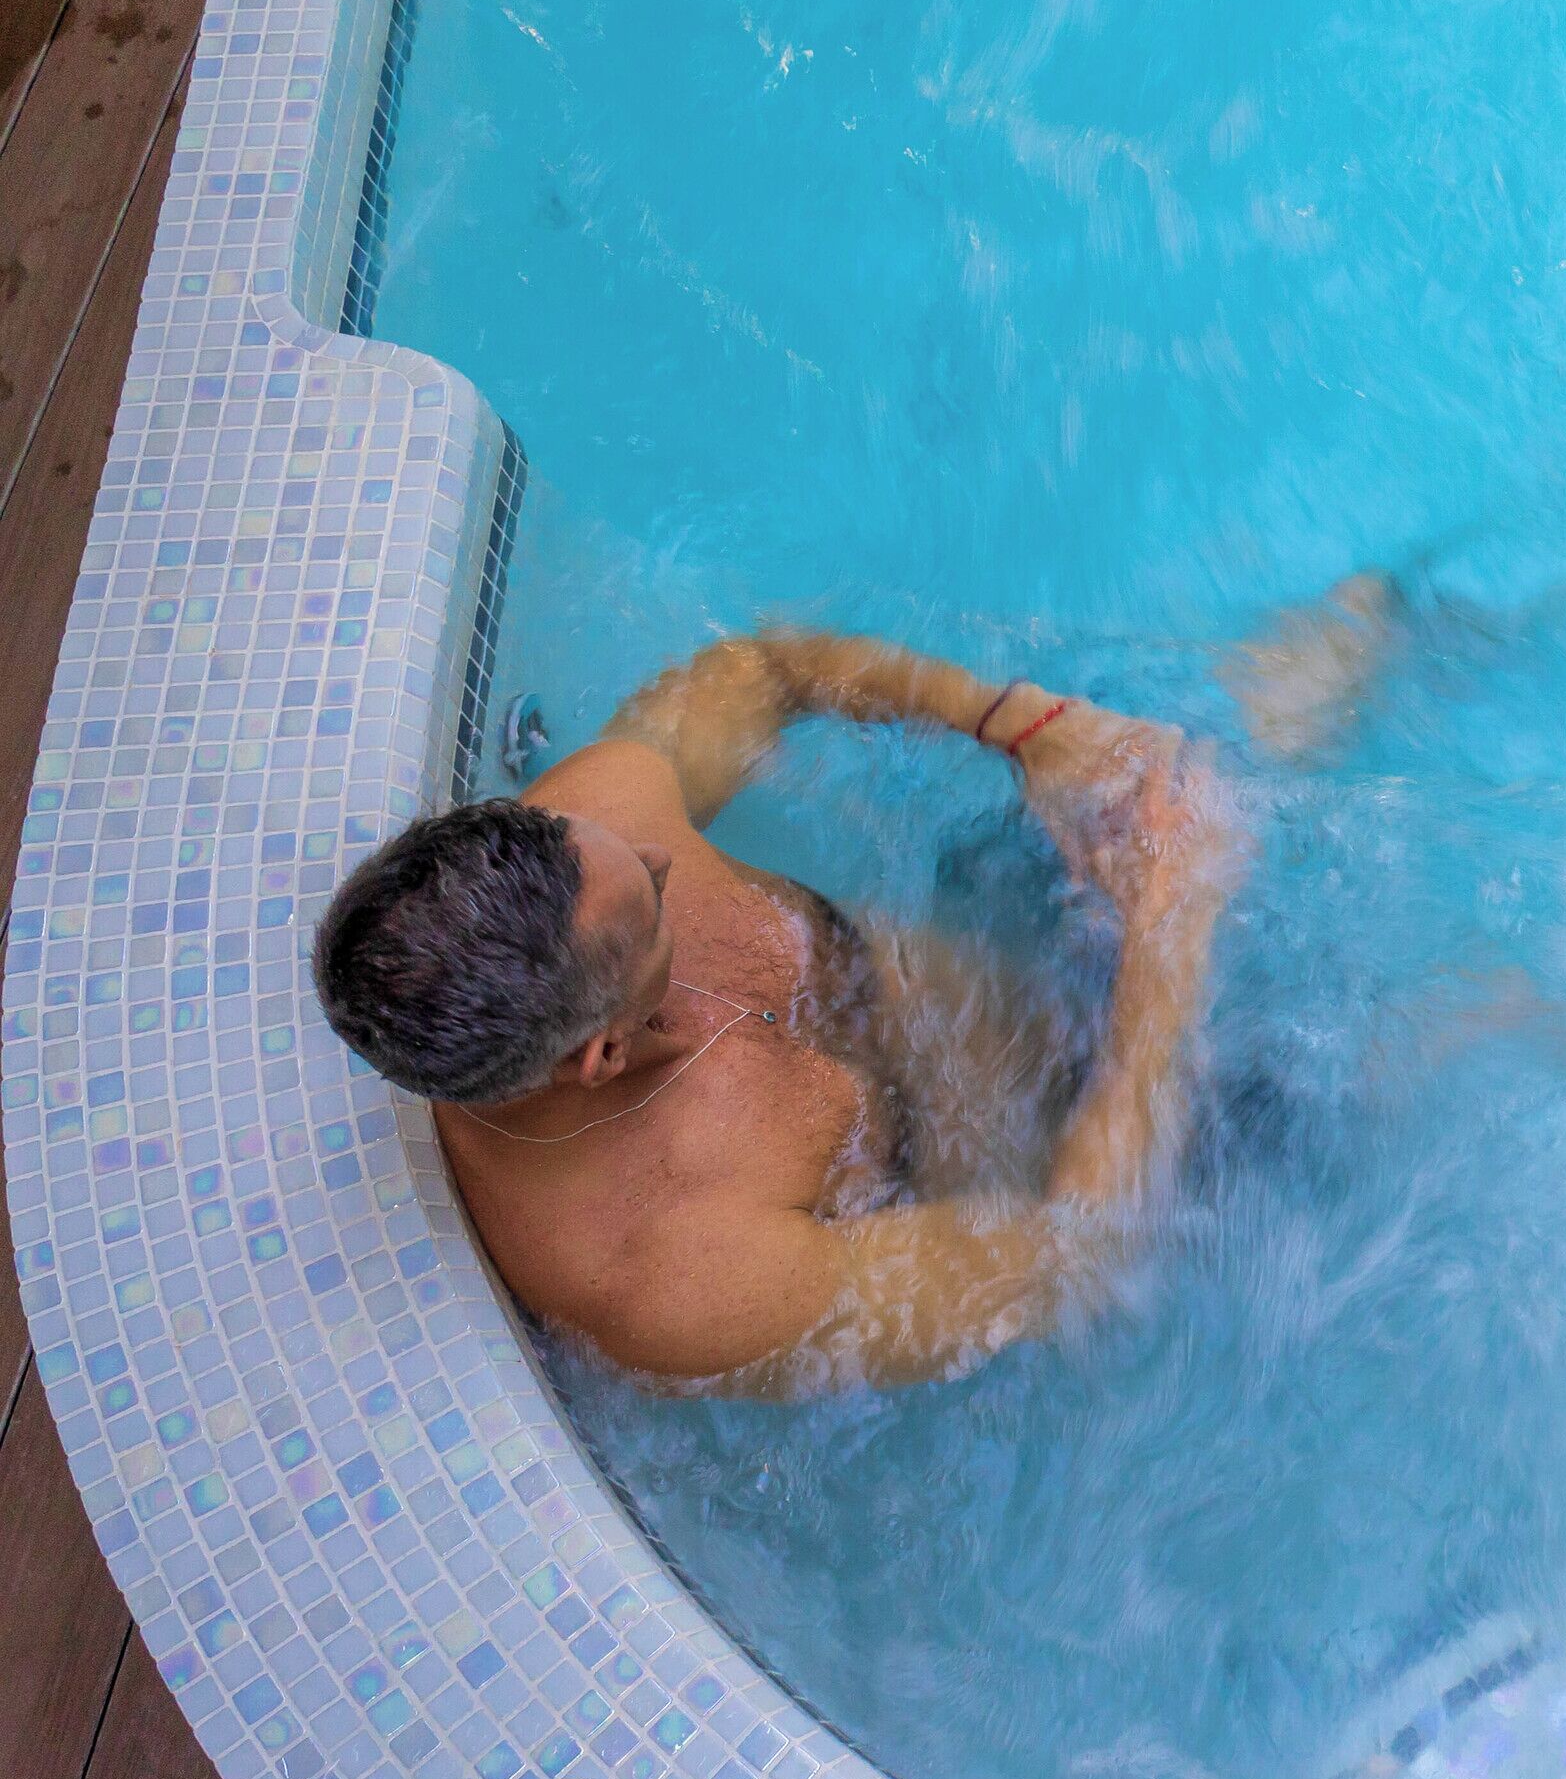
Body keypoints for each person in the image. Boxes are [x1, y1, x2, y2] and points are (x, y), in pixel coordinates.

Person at [311, 586, 1394, 1390]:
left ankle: (1467, 600)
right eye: (649, 901)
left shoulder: (595, 829)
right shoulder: (678, 1274)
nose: (657, 855)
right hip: (1130, 1157)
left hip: (1025, 965)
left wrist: (1025, 729)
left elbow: (766, 670)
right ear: (596, 1057)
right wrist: (1171, 926)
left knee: (1266, 703)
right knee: (1401, 1083)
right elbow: (1072, 1263)